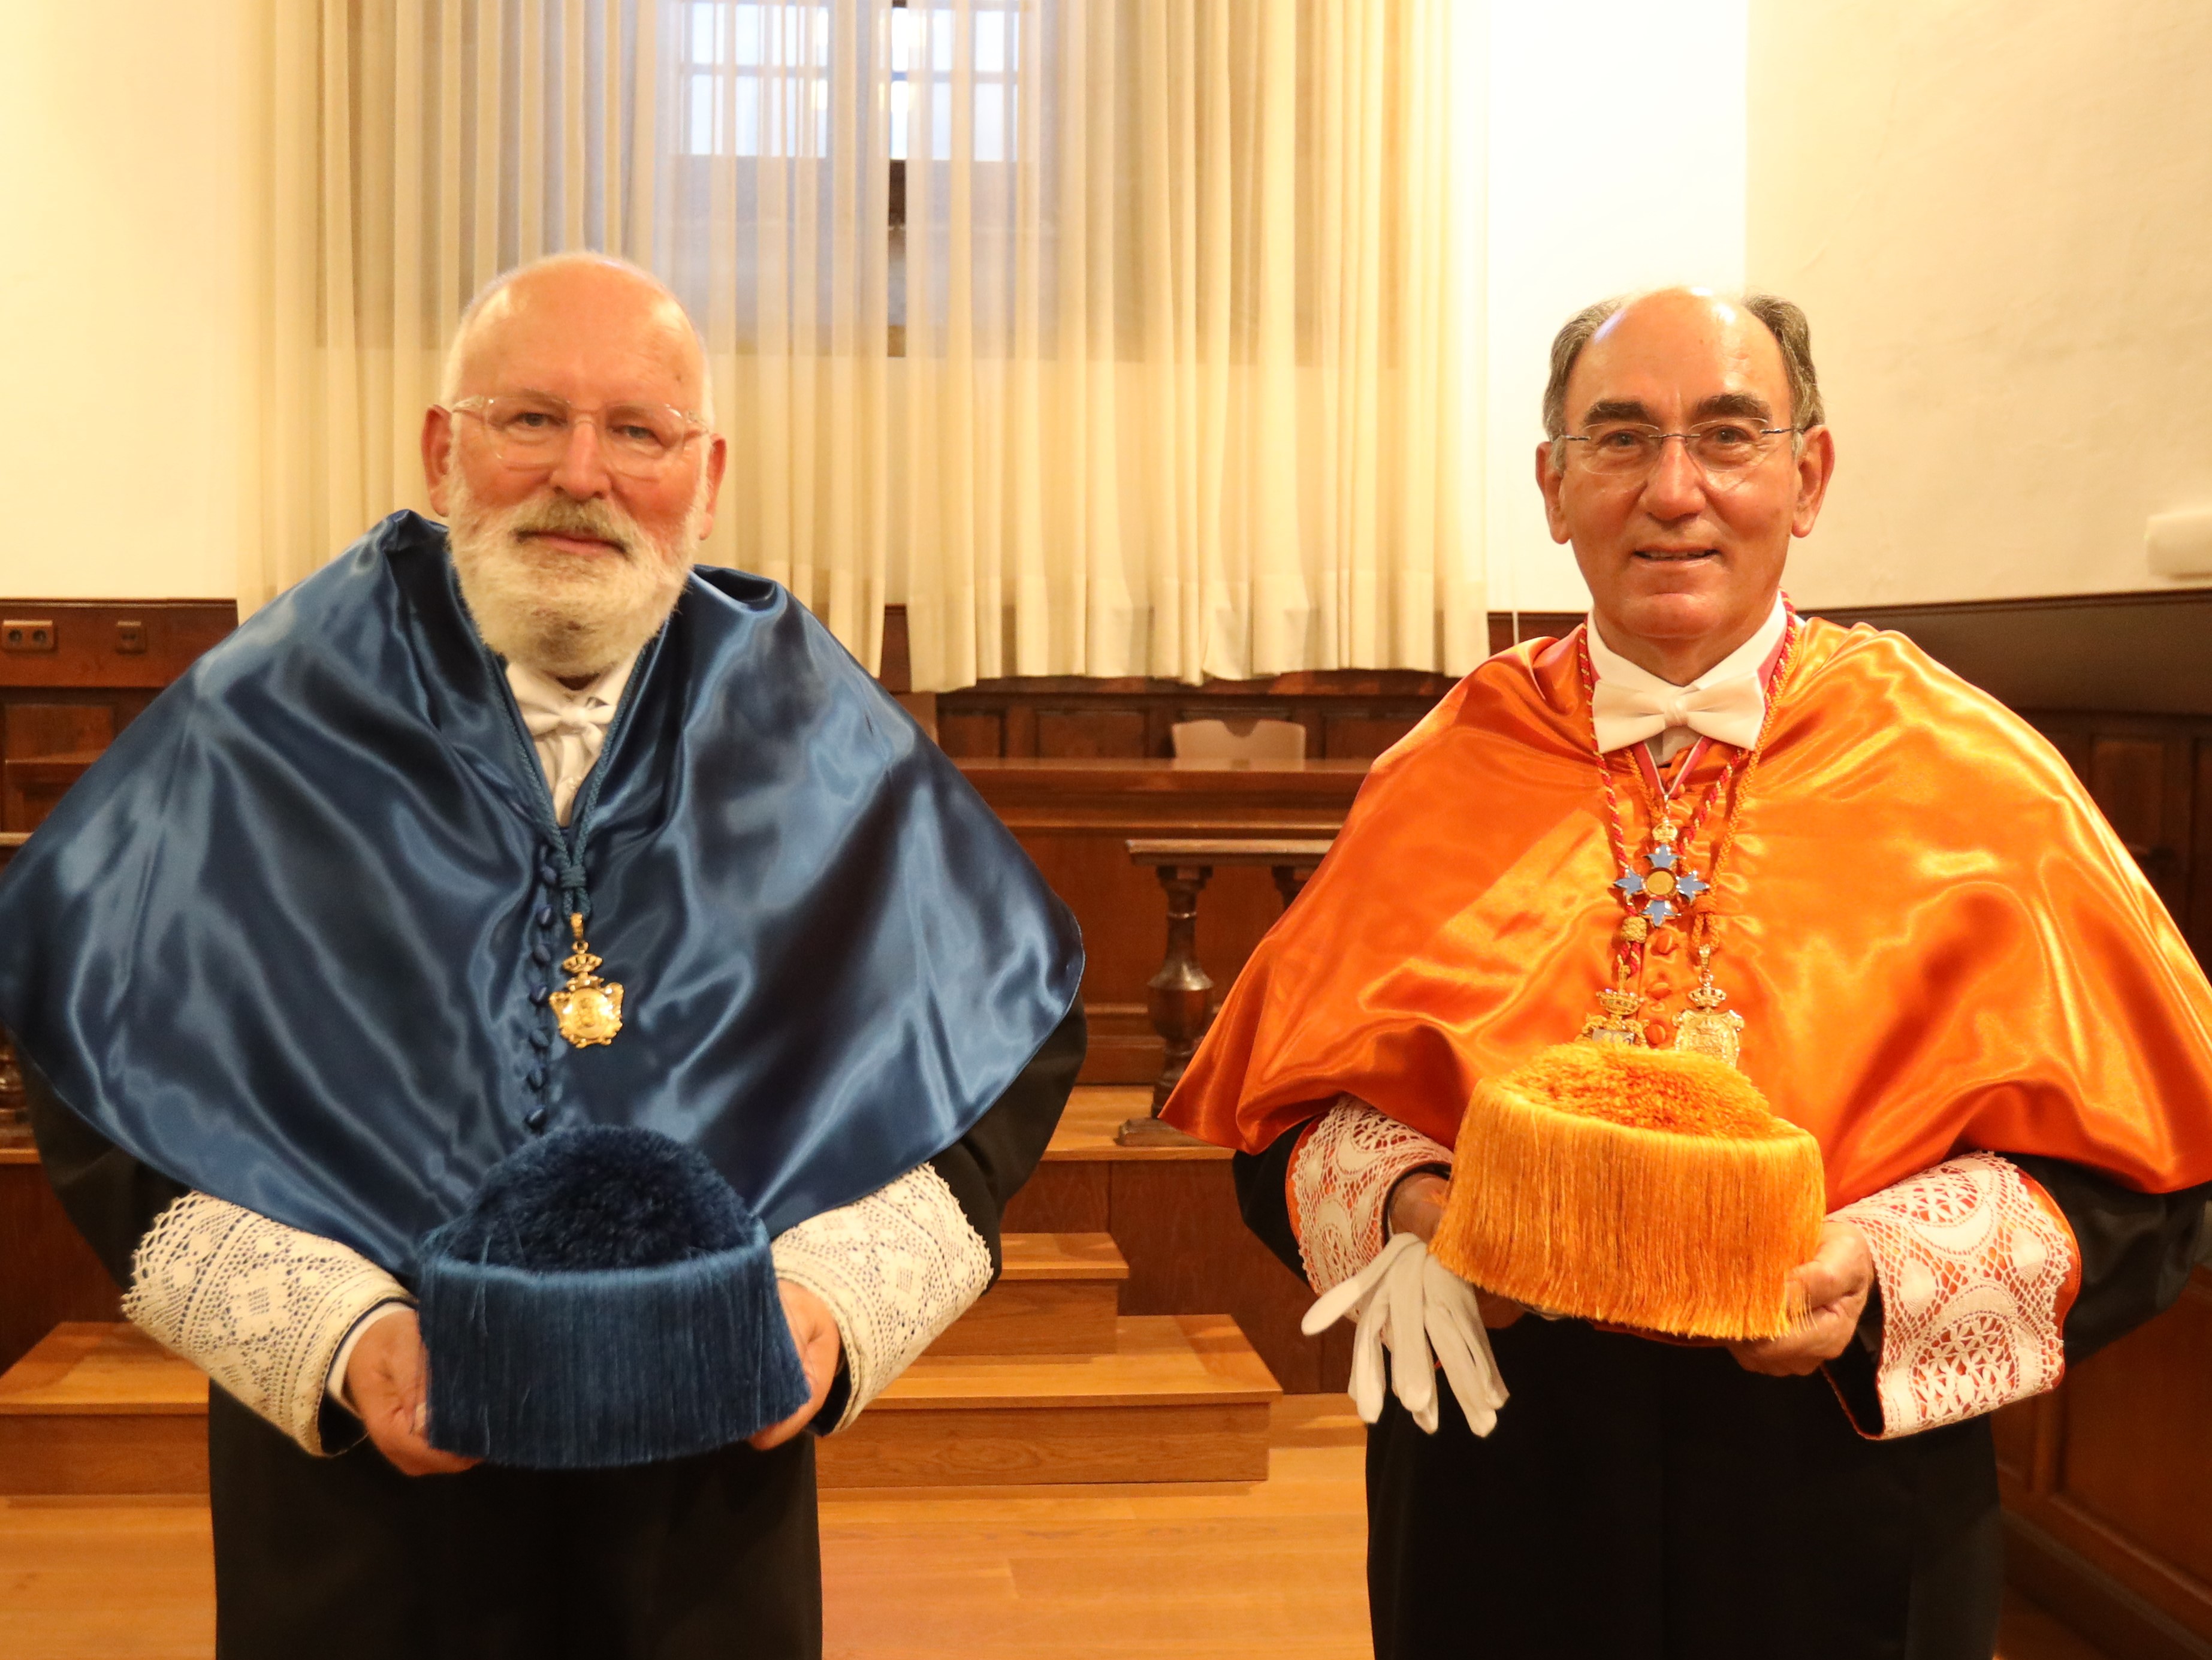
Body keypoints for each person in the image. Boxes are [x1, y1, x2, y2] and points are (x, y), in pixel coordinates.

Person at [0, 253, 1085, 1659]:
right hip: (362, 1509)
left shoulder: (808, 723)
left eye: (637, 431)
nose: (582, 473)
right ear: (443, 447)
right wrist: (334, 1337)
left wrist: (834, 1296)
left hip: (709, 1491)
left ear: (705, 474)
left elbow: (1009, 1030)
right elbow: (95, 1056)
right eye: (530, 420)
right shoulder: (264, 716)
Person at [1163, 286, 2212, 1660]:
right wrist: (1417, 1209)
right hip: (1498, 1475)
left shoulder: (1977, 779)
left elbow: (2146, 1186)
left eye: (1726, 435)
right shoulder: (1436, 770)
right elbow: (1281, 1119)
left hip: (1842, 1499)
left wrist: (1874, 1270)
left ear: (1807, 473)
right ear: (1553, 485)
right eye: (1618, 440)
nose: (1674, 491)